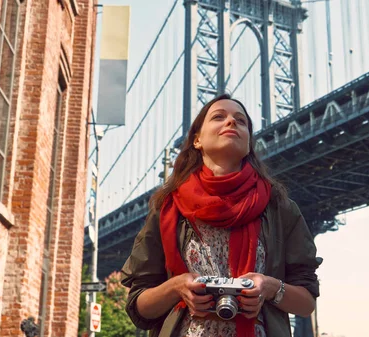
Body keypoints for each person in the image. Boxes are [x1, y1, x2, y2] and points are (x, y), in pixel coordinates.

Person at [121, 94, 320, 337]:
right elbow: (138, 306)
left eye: (241, 120)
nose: (231, 122)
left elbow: (307, 302)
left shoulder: (280, 208)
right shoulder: (167, 207)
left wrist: (269, 287)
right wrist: (177, 286)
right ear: (197, 140)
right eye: (218, 117)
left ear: (248, 143)